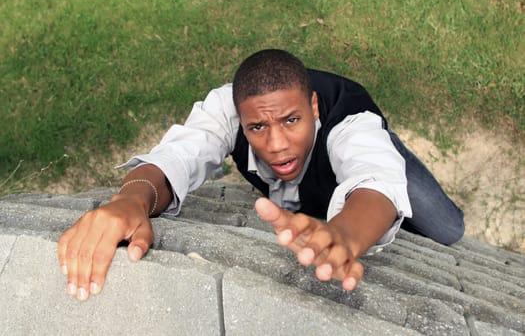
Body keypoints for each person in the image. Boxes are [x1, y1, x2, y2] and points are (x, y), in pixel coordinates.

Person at [58, 49, 464, 301]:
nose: (276, 145)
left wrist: (347, 234)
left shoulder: (350, 121)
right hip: (313, 192)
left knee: (446, 228)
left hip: (366, 153)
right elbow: (178, 156)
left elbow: (373, 178)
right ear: (241, 118)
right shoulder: (226, 108)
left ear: (314, 106)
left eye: (291, 120)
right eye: (257, 128)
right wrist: (132, 199)